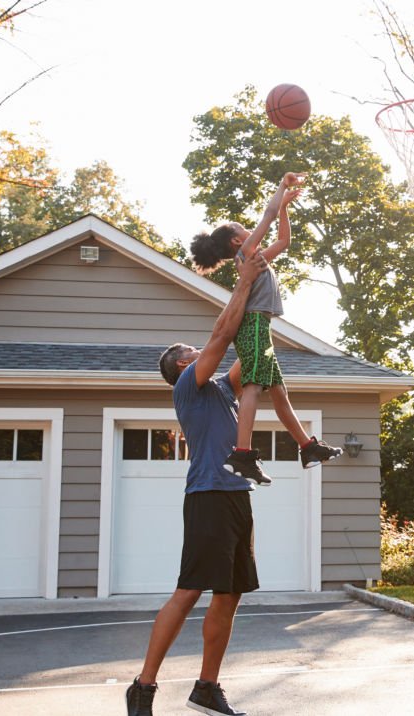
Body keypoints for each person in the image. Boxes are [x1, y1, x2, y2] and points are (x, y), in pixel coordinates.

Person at [124, 182, 290, 716]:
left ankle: (206, 685)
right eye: (186, 351)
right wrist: (242, 281)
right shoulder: (188, 387)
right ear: (178, 367)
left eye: (192, 349)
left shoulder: (220, 388)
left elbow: (249, 348)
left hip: (235, 495)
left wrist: (263, 266)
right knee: (191, 589)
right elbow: (221, 334)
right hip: (208, 496)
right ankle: (144, 685)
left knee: (230, 595)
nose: (194, 349)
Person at [189, 172, 341, 485]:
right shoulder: (246, 255)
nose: (250, 229)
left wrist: (285, 206)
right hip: (254, 324)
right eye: (244, 229)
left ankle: (308, 447)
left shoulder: (256, 259)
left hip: (262, 326)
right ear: (237, 241)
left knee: (279, 393)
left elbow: (283, 241)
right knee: (254, 387)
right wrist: (281, 187)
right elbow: (268, 216)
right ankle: (242, 452)